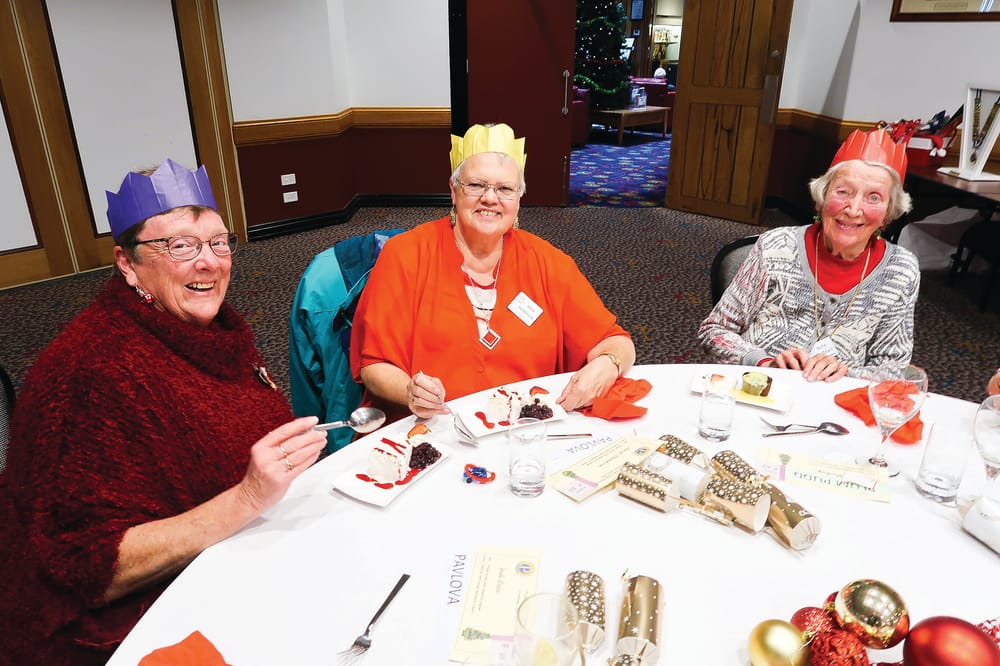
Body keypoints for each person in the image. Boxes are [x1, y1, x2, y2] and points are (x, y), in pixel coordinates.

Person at [0, 159, 327, 664]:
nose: (210, 262)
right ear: (127, 263)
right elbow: (80, 568)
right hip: (126, 629)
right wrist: (244, 500)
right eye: (180, 245)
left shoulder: (216, 332)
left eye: (219, 242)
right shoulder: (89, 374)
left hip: (237, 555)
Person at [350, 123, 635, 423]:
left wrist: (607, 364)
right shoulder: (405, 255)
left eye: (505, 189)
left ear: (518, 199)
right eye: (476, 185)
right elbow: (375, 365)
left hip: (524, 431)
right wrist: (409, 391)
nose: (490, 198)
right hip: (434, 431)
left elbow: (617, 341)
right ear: (453, 190)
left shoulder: (548, 262)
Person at [699, 128, 920, 382]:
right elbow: (713, 331)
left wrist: (848, 373)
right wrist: (762, 361)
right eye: (843, 192)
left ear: (887, 214)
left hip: (833, 402)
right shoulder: (776, 247)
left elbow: (895, 368)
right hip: (758, 388)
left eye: (873, 197)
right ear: (821, 198)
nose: (854, 209)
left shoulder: (901, 270)